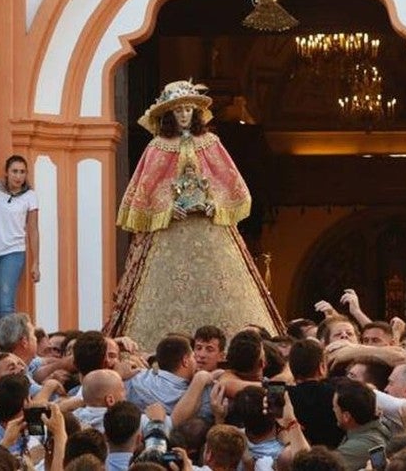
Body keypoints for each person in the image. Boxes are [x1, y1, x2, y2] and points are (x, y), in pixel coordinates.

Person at [104, 80, 283, 345]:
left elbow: (230, 181)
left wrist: (216, 204)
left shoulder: (211, 142)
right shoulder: (157, 147)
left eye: (189, 109)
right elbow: (144, 190)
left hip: (210, 227)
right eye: (179, 111)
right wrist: (166, 208)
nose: (185, 115)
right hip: (169, 232)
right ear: (169, 115)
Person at [0, 155, 40, 319]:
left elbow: (33, 229)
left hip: (13, 252)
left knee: (6, 304)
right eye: (14, 171)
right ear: (6, 172)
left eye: (22, 172)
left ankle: (7, 343)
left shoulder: (30, 196)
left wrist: (36, 262)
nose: (18, 176)